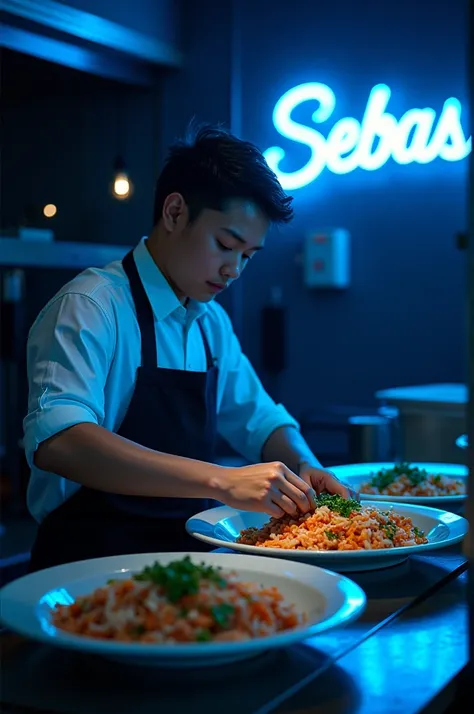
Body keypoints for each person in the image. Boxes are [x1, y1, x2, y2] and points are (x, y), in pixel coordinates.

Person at [24, 125, 354, 572]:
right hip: (86, 568)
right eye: (225, 245)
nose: (234, 269)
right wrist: (222, 480)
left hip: (186, 569)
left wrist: (305, 464)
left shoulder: (209, 322)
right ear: (175, 212)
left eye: (248, 255)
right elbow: (60, 441)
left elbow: (259, 420)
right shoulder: (90, 305)